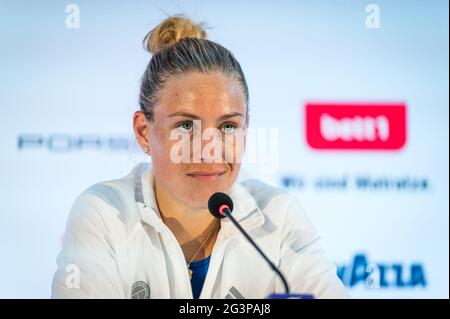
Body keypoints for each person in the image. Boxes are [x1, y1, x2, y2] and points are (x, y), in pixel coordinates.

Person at [52, 14, 348, 299]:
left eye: (228, 126)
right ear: (144, 131)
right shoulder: (103, 214)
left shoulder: (279, 215)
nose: (209, 149)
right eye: (185, 126)